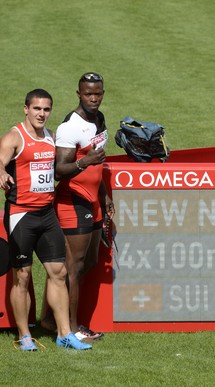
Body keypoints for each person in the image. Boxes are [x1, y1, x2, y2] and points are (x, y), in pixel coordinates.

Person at [0, 89, 91, 350]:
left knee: (58, 272)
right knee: (23, 276)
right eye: (37, 108)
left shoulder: (52, 137)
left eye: (46, 109)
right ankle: (25, 336)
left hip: (47, 214)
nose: (42, 114)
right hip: (22, 215)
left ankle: (64, 334)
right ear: (26, 109)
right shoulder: (14, 137)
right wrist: (2, 174)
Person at [41, 72, 114, 341]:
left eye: (98, 93)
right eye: (88, 94)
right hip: (73, 200)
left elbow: (99, 163)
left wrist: (105, 195)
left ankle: (49, 318)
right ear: (78, 94)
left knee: (89, 262)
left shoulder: (100, 118)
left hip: (93, 200)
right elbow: (59, 170)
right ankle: (71, 329)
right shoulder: (70, 127)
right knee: (73, 267)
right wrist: (86, 161)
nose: (93, 98)